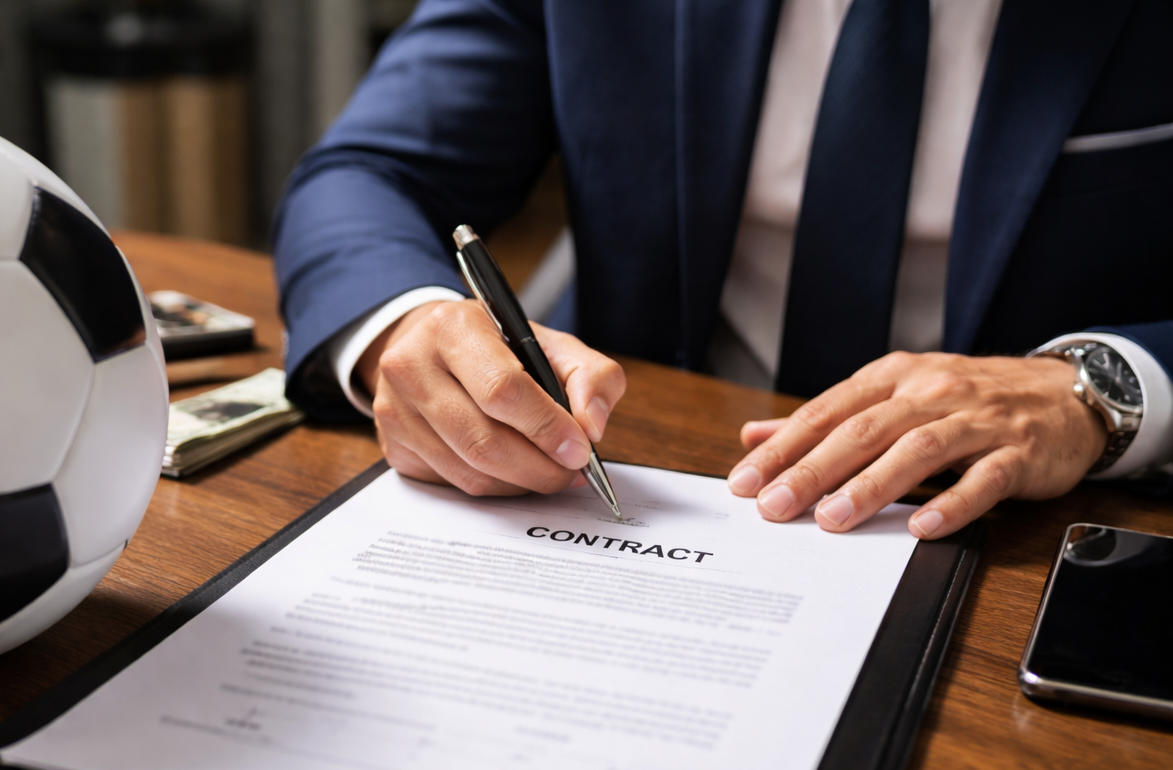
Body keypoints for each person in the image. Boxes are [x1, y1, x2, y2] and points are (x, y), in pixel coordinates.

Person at [272, 0, 1173, 539]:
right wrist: (407, 322)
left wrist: (1099, 390)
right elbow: (371, 173)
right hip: (643, 473)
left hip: (1025, 525)